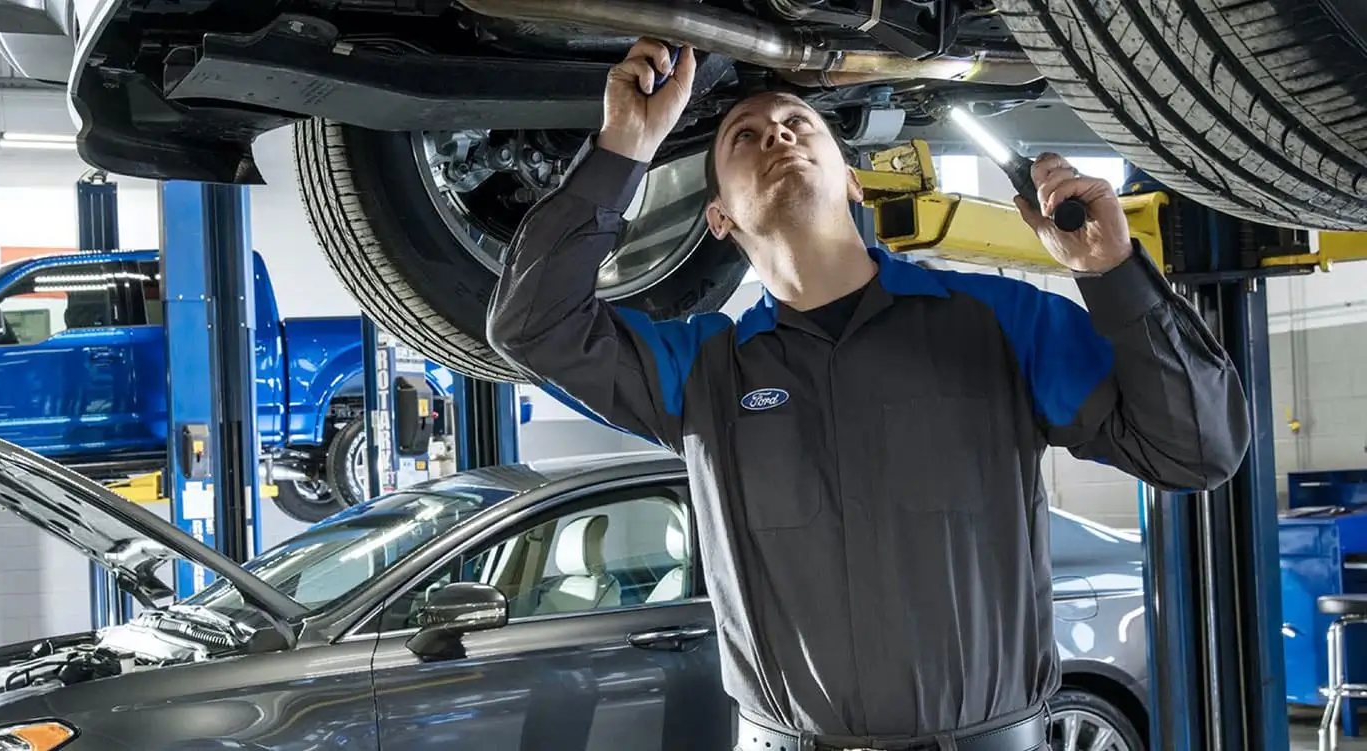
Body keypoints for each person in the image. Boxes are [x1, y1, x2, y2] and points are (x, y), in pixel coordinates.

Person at [485, 38, 1250, 751]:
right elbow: (531, 325)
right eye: (743, 138)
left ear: (853, 179)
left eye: (797, 123)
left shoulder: (997, 323)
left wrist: (1113, 272)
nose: (777, 135)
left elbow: (1198, 448)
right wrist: (625, 147)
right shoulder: (703, 369)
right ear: (718, 218)